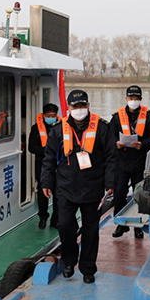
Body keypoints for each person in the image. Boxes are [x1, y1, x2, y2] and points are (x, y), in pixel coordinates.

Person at [41, 89, 118, 284]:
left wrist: (110, 183)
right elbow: (49, 158)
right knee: (65, 225)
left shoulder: (102, 127)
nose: (79, 109)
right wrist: (47, 181)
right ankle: (69, 261)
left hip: (92, 186)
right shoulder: (58, 129)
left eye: (83, 105)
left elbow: (111, 157)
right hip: (65, 186)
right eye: (75, 106)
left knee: (91, 230)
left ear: (88, 106)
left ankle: (88, 269)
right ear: (69, 108)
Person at [110, 85, 150, 239]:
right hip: (121, 162)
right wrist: (116, 143)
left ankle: (138, 226)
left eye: (136, 98)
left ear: (141, 99)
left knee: (139, 195)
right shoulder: (117, 117)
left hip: (140, 162)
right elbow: (108, 136)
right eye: (131, 98)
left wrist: (143, 144)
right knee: (119, 195)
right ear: (126, 99)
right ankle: (121, 225)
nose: (133, 101)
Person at [28, 103, 60, 230]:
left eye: (53, 115)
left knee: (58, 193)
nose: (51, 117)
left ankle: (55, 219)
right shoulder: (36, 128)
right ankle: (43, 217)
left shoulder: (61, 127)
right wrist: (46, 151)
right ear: (43, 115)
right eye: (48, 115)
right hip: (42, 164)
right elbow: (31, 147)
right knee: (42, 192)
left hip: (59, 165)